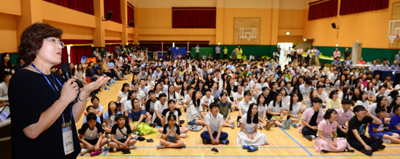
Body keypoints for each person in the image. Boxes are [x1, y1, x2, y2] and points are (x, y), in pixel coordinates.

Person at [9, 23, 109, 158]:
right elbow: (32, 130)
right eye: (53, 40)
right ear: (34, 45)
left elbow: (71, 117)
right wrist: (63, 100)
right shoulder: (22, 79)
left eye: (60, 41)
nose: (60, 46)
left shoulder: (56, 78)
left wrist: (84, 93)